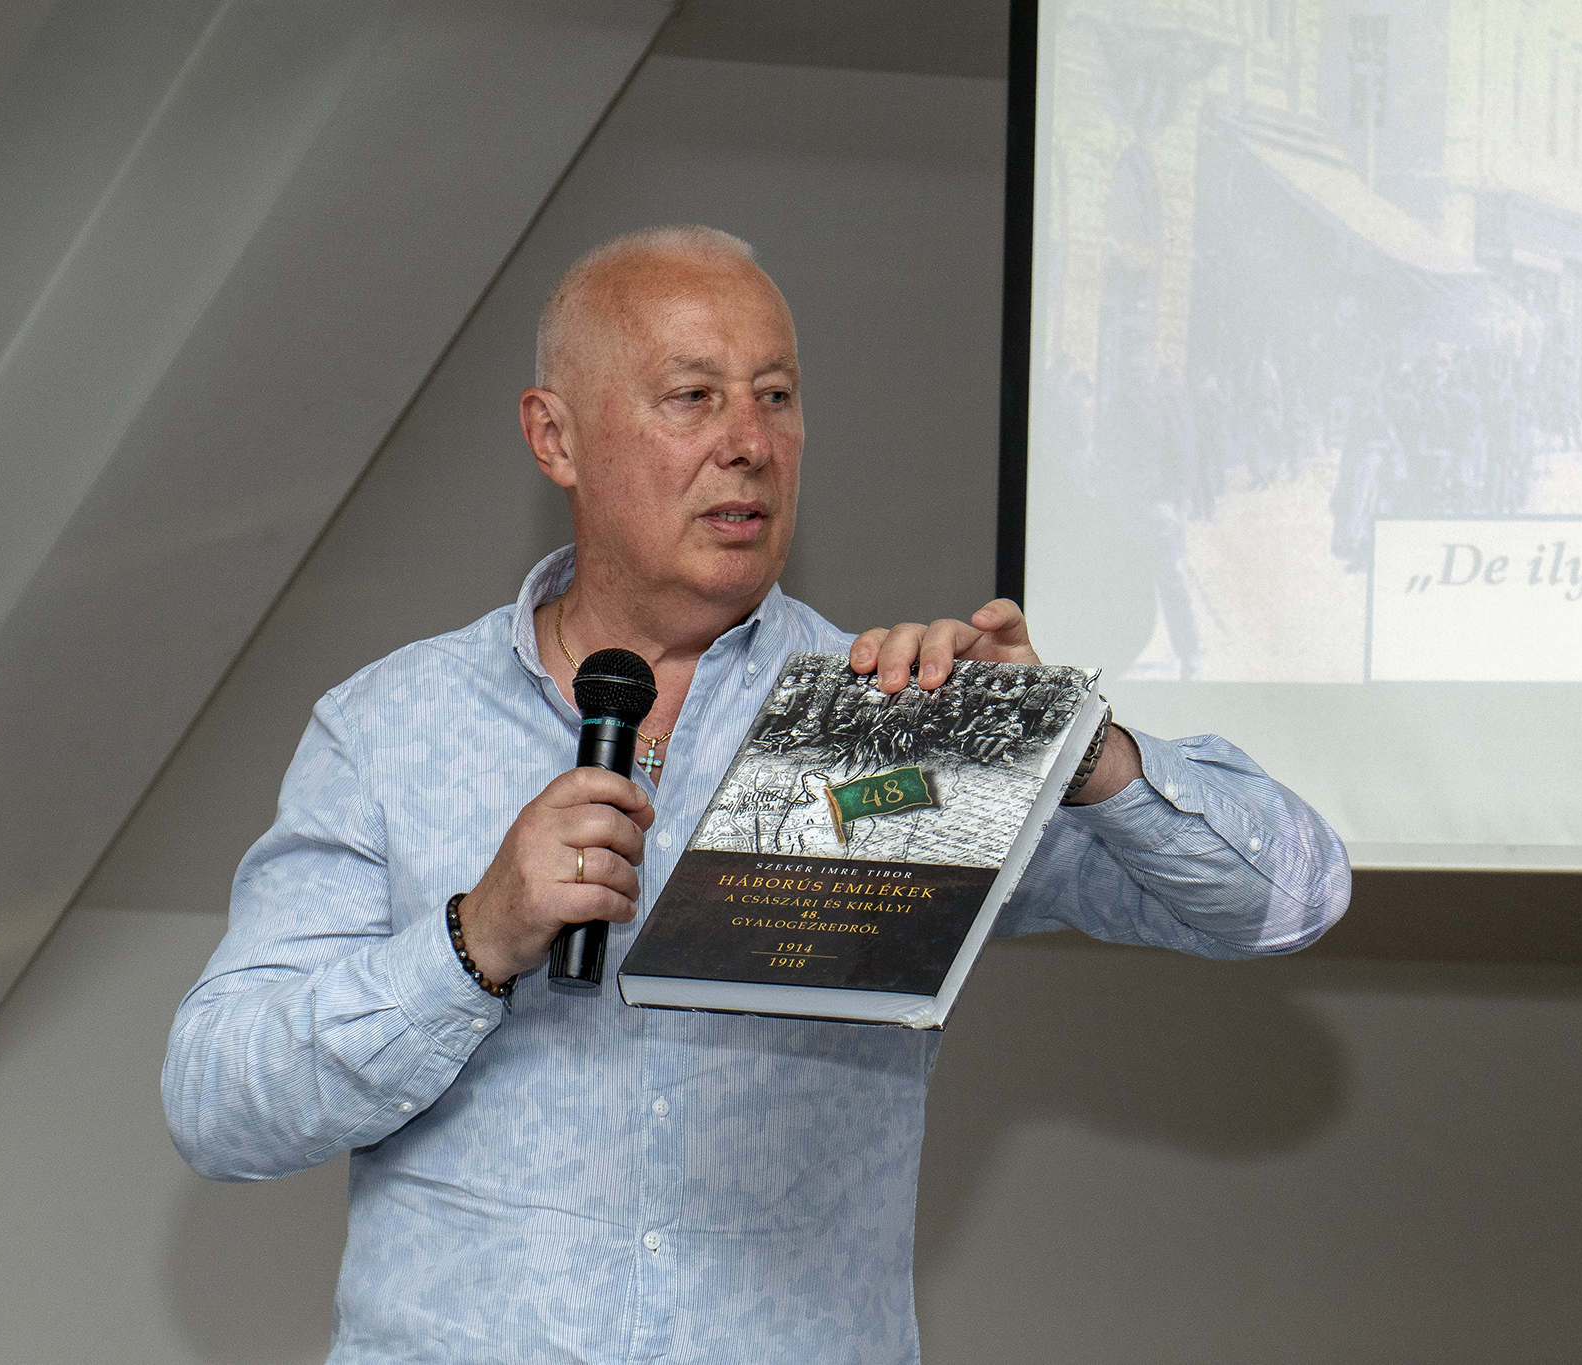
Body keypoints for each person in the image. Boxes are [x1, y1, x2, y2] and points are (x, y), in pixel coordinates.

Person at [163, 225, 1351, 1364]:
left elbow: (1284, 900)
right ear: (554, 437)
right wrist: (471, 943)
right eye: (692, 397)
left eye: (774, 396)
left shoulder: (896, 725)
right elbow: (220, 1106)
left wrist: (1074, 746)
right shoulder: (391, 726)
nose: (748, 442)